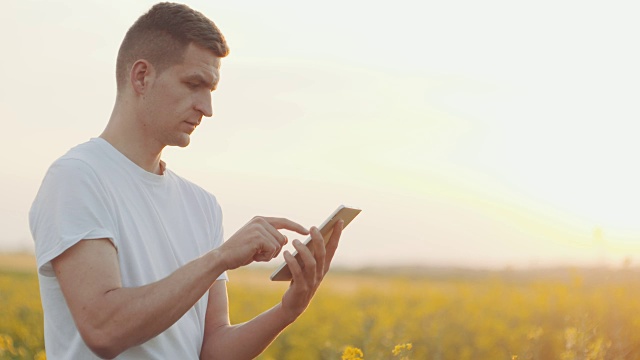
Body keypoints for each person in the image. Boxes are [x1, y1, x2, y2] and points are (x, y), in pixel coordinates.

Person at [28, 2, 343, 359]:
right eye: (194, 84)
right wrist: (220, 257)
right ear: (142, 76)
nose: (207, 108)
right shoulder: (77, 177)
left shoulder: (202, 205)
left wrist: (289, 310)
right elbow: (104, 329)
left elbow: (211, 350)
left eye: (211, 90)